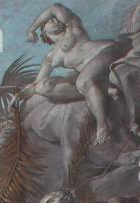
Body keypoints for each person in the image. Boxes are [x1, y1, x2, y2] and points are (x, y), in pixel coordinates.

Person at [26, 3, 131, 145]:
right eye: (49, 21)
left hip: (106, 52)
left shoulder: (73, 28)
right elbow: (35, 84)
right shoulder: (51, 57)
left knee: (83, 81)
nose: (54, 20)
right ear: (44, 32)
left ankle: (102, 124)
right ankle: (105, 90)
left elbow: (55, 7)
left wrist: (31, 30)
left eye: (54, 19)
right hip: (93, 73)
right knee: (43, 87)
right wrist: (19, 96)